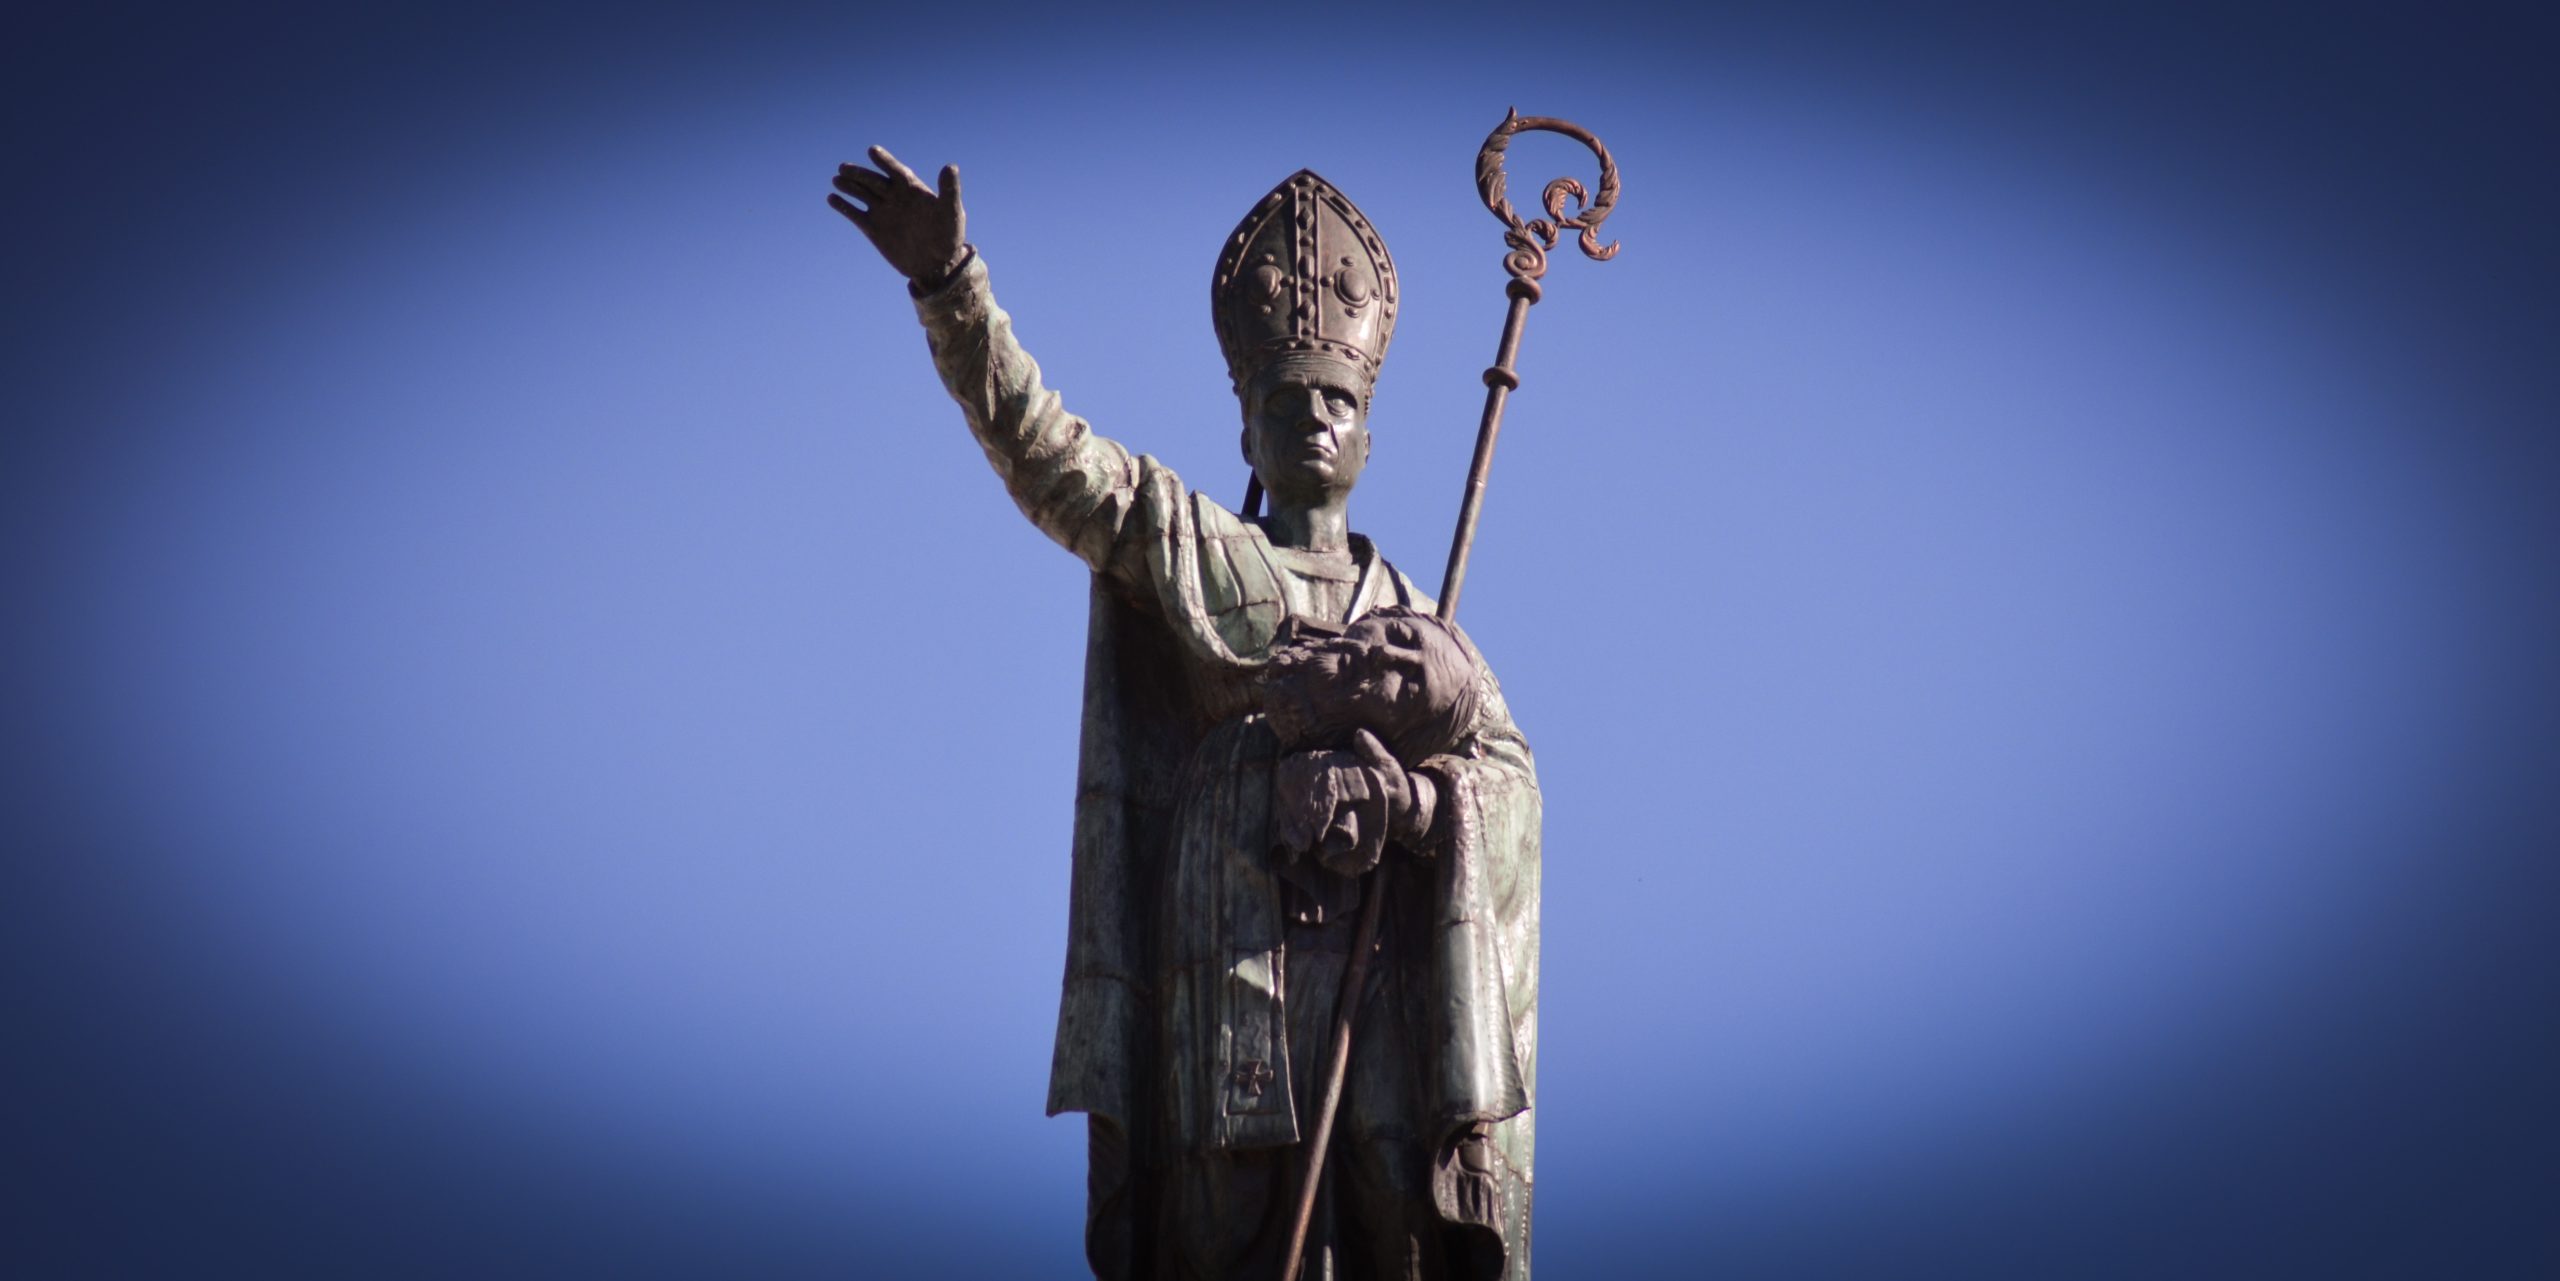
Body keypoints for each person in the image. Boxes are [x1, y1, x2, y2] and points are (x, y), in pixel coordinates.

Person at [832, 148, 1543, 1280]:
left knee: (1395, 1215)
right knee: (1222, 1220)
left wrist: (1415, 803)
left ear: (1369, 435)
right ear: (1246, 431)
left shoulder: (1422, 624)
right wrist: (951, 286)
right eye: (1284, 401)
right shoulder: (1190, 544)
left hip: (1384, 978)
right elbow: (1049, 456)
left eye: (1338, 401)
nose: (1313, 418)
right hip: (1228, 940)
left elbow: (1508, 781)